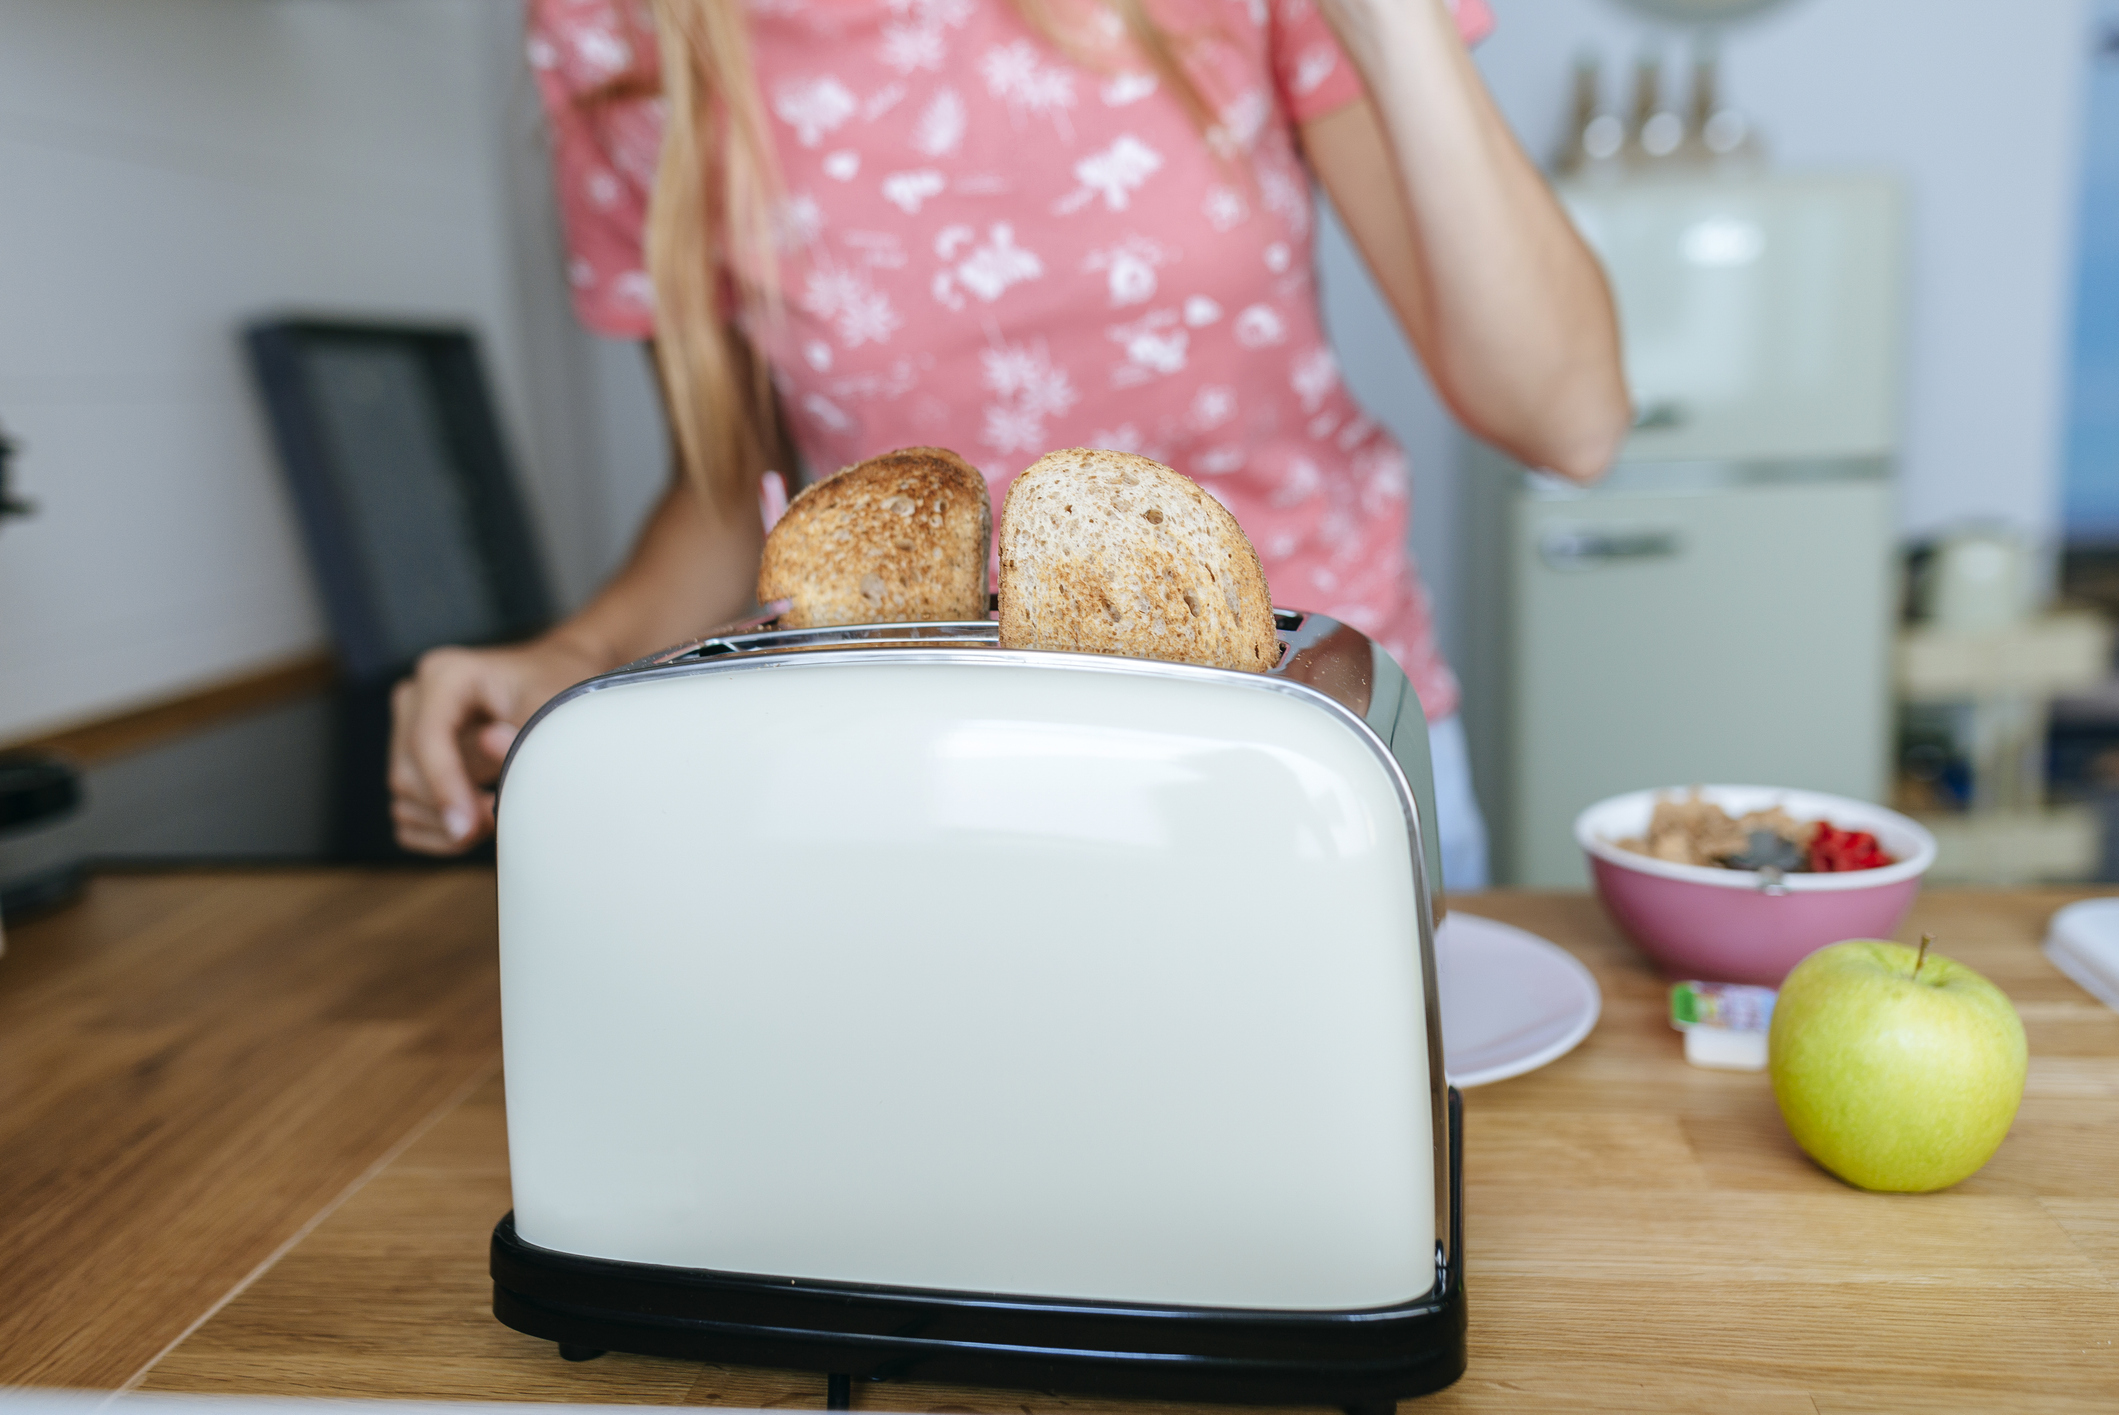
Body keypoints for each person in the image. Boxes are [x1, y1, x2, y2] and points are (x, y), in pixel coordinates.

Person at [389, 0, 1628, 886]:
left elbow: (1566, 417)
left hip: (1315, 766)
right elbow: (730, 489)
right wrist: (574, 656)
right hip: (923, 797)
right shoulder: (622, 26)